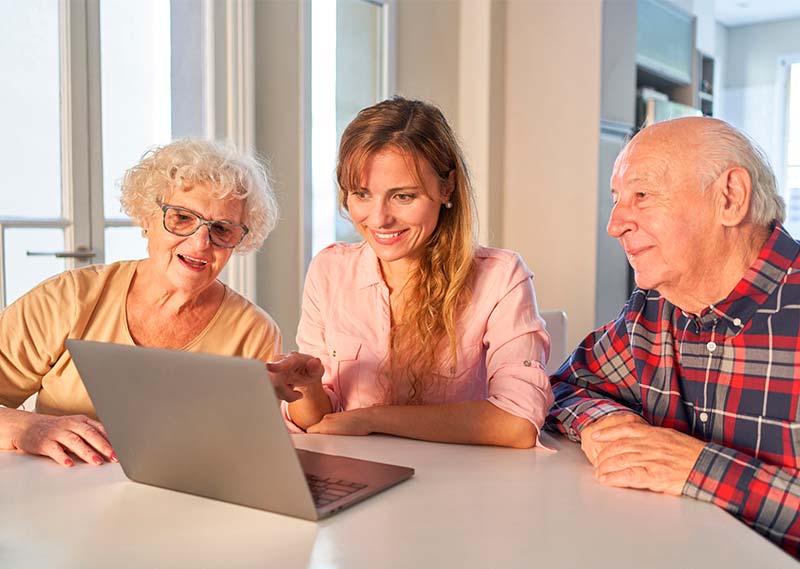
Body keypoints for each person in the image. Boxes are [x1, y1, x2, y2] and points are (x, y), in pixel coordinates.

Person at [547, 117, 800, 557]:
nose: (614, 224)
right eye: (617, 199)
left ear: (730, 198)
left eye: (642, 195)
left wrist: (699, 468)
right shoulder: (651, 310)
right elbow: (566, 387)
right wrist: (606, 424)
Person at [0, 139, 320, 467]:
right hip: (60, 495)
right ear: (147, 217)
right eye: (182, 217)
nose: (200, 243)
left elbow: (245, 455)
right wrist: (27, 427)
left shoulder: (253, 331)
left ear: (238, 241)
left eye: (221, 229)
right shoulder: (68, 298)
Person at [283, 97, 554, 448]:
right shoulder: (329, 270)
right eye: (362, 194)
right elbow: (321, 423)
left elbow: (518, 423)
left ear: (447, 188)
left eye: (403, 197)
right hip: (358, 477)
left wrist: (372, 418)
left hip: (461, 485)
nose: (378, 219)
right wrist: (305, 387)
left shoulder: (501, 278)